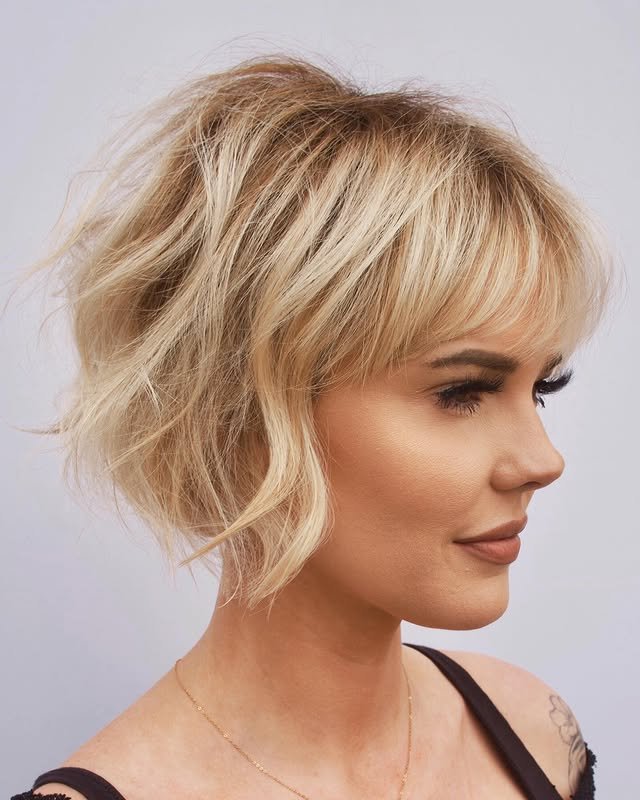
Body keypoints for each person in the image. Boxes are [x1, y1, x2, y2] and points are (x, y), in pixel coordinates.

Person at [11, 52, 617, 800]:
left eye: (542, 389)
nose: (543, 460)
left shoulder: (533, 734)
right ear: (241, 412)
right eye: (462, 392)